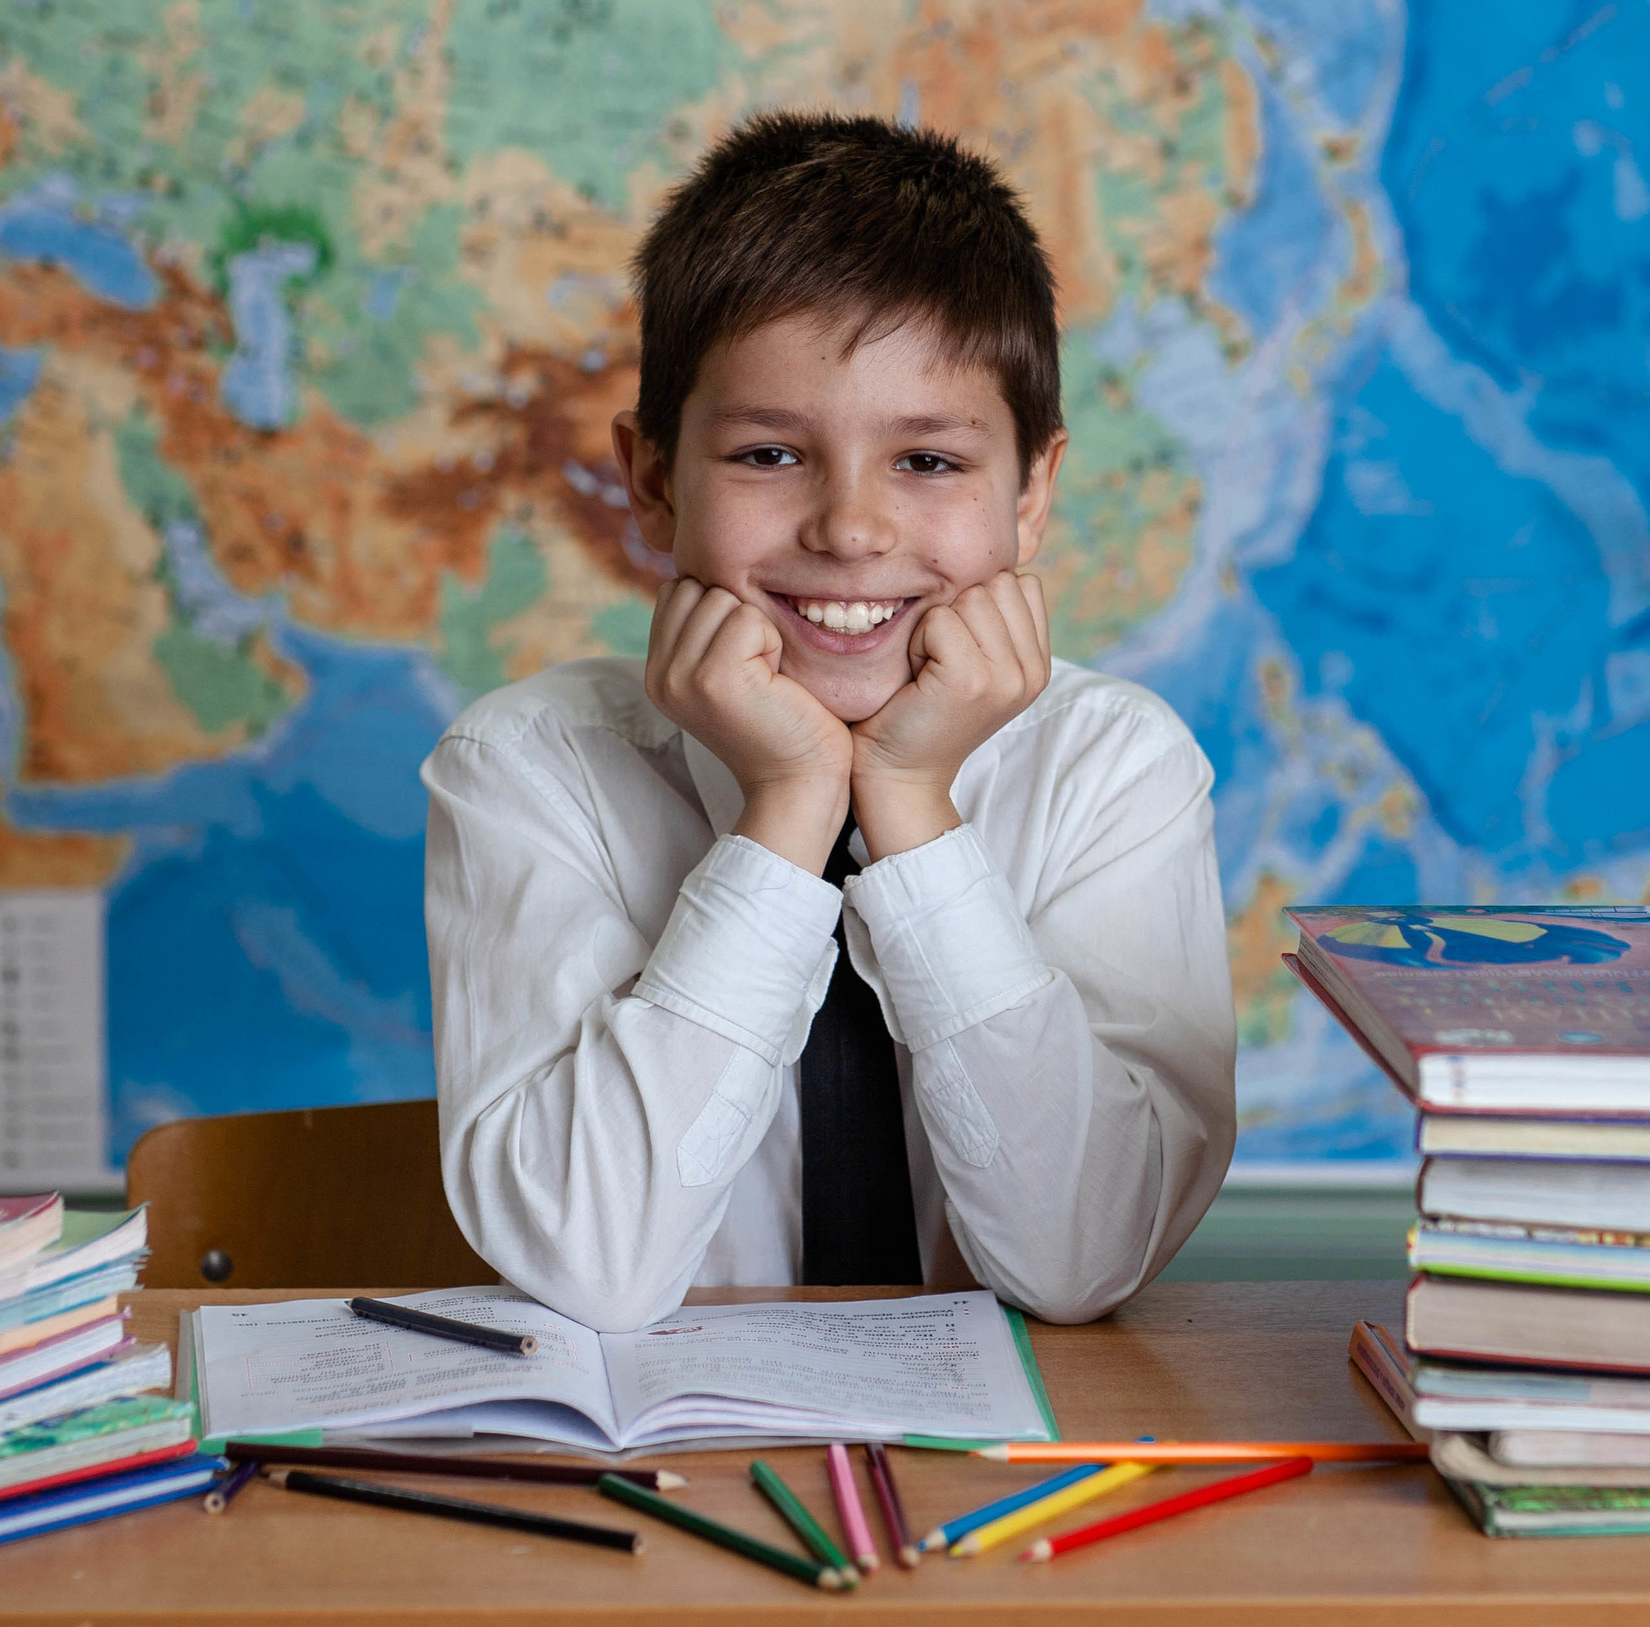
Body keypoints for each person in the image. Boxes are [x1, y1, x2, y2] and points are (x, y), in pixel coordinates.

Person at [421, 112, 1235, 1332]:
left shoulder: (1114, 769)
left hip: (1001, 1490)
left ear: (1032, 496)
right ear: (650, 482)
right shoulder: (527, 771)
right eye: (767, 453)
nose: (850, 530)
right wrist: (786, 815)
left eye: (927, 464)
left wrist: (908, 812)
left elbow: (1080, 1259)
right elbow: (591, 1269)